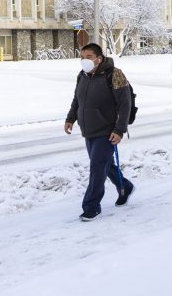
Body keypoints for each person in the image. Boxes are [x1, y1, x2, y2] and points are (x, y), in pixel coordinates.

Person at [65, 42, 135, 221]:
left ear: (99, 58)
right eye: (82, 57)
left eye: (88, 57)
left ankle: (91, 206)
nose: (84, 60)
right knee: (105, 165)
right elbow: (77, 99)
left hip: (108, 130)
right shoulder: (82, 75)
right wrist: (70, 118)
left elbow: (125, 104)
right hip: (89, 130)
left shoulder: (114, 74)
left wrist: (120, 130)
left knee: (97, 168)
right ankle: (125, 187)